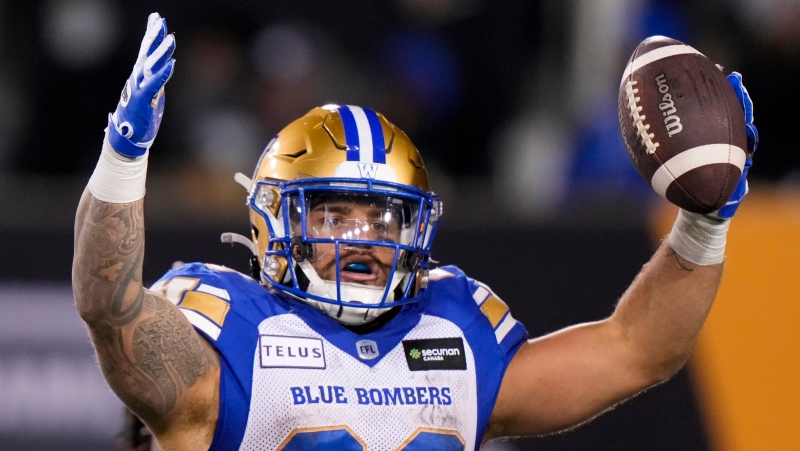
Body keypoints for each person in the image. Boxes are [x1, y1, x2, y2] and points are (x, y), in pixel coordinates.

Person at [73, 13, 758, 451]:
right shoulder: (228, 335)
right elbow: (110, 305)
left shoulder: (452, 329)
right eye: (336, 213)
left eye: (385, 215)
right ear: (275, 218)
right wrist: (123, 156)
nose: (365, 235)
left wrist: (703, 222)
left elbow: (636, 350)